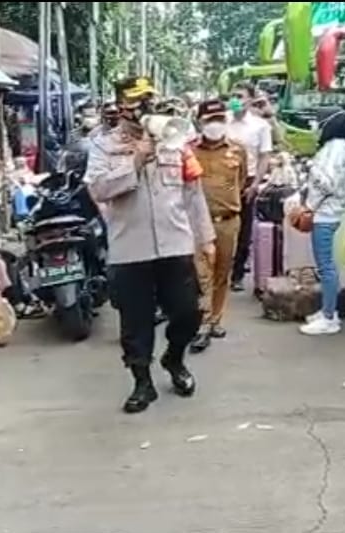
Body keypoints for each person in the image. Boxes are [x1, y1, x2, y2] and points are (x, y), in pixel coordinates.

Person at [85, 75, 216, 414]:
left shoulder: (175, 140)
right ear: (120, 106)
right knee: (135, 322)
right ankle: (142, 382)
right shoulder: (103, 145)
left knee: (188, 311)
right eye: (135, 100)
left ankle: (174, 358)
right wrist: (134, 161)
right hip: (130, 249)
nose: (143, 106)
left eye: (147, 98)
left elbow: (192, 194)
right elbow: (97, 189)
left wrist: (206, 238)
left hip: (175, 244)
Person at [190, 99, 248, 353]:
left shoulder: (238, 150)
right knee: (202, 274)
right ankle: (202, 322)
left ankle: (215, 319)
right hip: (197, 224)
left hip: (227, 221)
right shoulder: (188, 150)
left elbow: (242, 181)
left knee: (223, 272)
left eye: (219, 120)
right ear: (200, 122)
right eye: (209, 120)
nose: (214, 125)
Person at [299, 110, 345, 336]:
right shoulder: (342, 147)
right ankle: (326, 311)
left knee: (326, 267)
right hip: (329, 211)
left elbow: (328, 182)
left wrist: (311, 168)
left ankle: (330, 317)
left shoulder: (336, 148)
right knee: (326, 266)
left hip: (325, 213)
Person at [226, 83, 274, 292]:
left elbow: (265, 156)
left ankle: (236, 274)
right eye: (233, 96)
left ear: (250, 100)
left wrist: (256, 184)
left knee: (244, 229)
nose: (235, 100)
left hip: (247, 181)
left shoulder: (260, 126)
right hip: (223, 181)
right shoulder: (221, 121)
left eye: (240, 96)